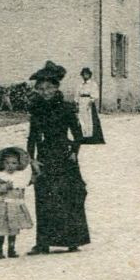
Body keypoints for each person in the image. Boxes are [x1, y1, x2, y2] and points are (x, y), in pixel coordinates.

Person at [24, 61, 90, 254]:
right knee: (44, 197)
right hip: (44, 155)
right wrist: (31, 160)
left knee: (68, 196)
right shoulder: (36, 108)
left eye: (48, 88)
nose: (45, 92)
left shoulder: (67, 108)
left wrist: (73, 152)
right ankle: (43, 242)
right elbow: (32, 136)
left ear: (56, 88)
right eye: (41, 89)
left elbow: (78, 135)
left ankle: (72, 240)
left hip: (63, 155)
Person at [0, 146, 36, 259]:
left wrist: (34, 177)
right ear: (3, 164)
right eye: (7, 163)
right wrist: (5, 186)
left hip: (16, 206)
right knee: (2, 228)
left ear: (18, 164)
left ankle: (11, 249)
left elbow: (26, 184)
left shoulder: (19, 176)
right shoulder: (1, 176)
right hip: (5, 206)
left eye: (14, 163)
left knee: (14, 229)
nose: (10, 166)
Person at [75, 67, 106, 145]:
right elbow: (77, 94)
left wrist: (91, 101)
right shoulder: (80, 84)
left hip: (88, 102)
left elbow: (95, 94)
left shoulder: (93, 84)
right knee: (82, 120)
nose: (85, 76)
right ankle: (82, 137)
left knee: (90, 120)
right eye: (84, 74)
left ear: (89, 75)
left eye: (87, 74)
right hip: (81, 102)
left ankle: (91, 138)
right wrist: (76, 102)